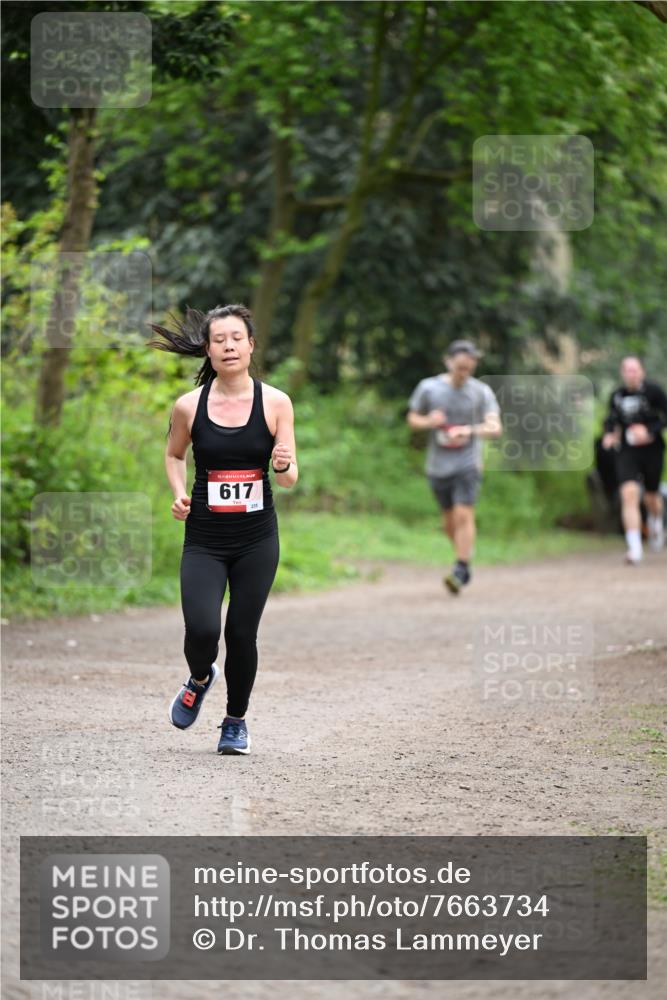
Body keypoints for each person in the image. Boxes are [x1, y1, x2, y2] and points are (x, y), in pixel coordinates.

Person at [148, 304, 298, 754]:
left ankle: (235, 721)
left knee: (240, 634)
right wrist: (178, 492)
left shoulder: (275, 402)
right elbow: (175, 455)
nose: (229, 345)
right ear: (208, 350)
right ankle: (199, 677)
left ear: (251, 345)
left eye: (237, 337)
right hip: (205, 540)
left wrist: (284, 464)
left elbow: (289, 480)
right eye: (219, 340)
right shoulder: (188, 406)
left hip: (256, 540)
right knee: (201, 631)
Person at [407, 340, 502, 593]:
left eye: (469, 369)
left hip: (468, 463)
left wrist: (468, 431)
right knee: (449, 522)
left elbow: (495, 427)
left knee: (464, 514)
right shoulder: (429, 388)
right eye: (460, 367)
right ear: (448, 362)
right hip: (438, 466)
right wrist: (429, 421)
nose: (464, 373)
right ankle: (464, 558)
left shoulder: (480, 392)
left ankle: (460, 566)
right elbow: (413, 418)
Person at [602, 356, 667, 564]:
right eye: (627, 370)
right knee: (629, 494)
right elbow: (611, 420)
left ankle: (656, 520)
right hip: (628, 450)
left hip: (652, 450)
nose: (631, 374)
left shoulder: (654, 392)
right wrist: (610, 434)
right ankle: (635, 548)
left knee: (651, 498)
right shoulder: (617, 396)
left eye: (634, 370)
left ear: (642, 371)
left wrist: (649, 431)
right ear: (623, 373)